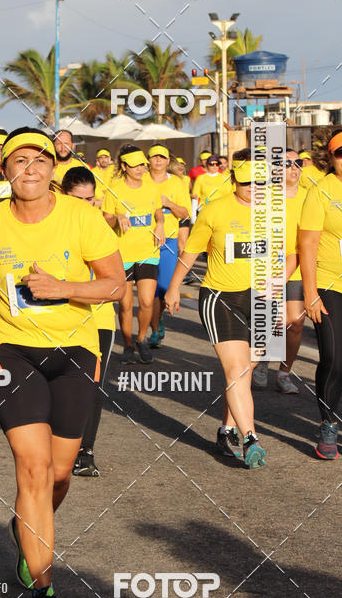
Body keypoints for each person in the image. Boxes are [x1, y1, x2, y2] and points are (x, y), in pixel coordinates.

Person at [0, 127, 125, 598]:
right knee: (33, 467)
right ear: (4, 170)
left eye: (39, 161)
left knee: (60, 473)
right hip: (10, 348)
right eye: (19, 161)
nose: (29, 169)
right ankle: (43, 588)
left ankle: (26, 528)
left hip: (74, 350)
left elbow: (114, 284)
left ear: (53, 169)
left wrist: (63, 287)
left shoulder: (83, 217)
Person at [165, 149, 270, 469]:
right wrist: (173, 287)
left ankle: (226, 429)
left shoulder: (275, 212)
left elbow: (290, 252)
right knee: (236, 369)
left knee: (247, 369)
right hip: (221, 297)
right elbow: (191, 252)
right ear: (234, 180)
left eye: (260, 181)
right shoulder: (215, 210)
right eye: (247, 181)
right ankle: (250, 437)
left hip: (261, 298)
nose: (254, 186)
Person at [299, 129, 342, 459]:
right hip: (330, 283)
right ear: (331, 157)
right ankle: (328, 423)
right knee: (337, 358)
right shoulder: (321, 190)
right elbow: (307, 245)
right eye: (341, 152)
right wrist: (310, 293)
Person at [61, 166, 116, 478]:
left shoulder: (101, 226)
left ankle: (85, 452)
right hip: (60, 315)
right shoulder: (51, 225)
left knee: (93, 385)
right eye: (78, 199)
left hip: (99, 316)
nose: (86, 205)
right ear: (63, 195)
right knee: (62, 384)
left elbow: (117, 278)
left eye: (91, 199)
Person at [102, 145, 165, 364]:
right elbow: (105, 218)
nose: (140, 168)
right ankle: (128, 344)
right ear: (124, 166)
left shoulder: (151, 188)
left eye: (143, 165)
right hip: (123, 254)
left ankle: (141, 339)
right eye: (135, 165)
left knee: (147, 301)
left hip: (148, 251)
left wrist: (161, 224)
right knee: (126, 304)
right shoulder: (115, 189)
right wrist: (116, 219)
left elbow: (158, 211)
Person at [145, 144, 191, 347]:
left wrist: (169, 204)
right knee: (151, 291)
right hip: (144, 241)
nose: (158, 161)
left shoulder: (178, 183)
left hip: (168, 242)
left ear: (167, 161)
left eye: (162, 158)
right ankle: (154, 330)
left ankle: (159, 318)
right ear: (148, 160)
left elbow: (185, 214)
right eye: (154, 157)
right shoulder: (141, 181)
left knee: (164, 289)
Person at [278, 150, 307, 394]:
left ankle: (284, 372)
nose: (293, 167)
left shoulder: (311, 196)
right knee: (270, 321)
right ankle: (260, 362)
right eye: (287, 163)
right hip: (269, 267)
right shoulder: (265, 197)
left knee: (295, 323)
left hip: (299, 268)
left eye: (298, 163)